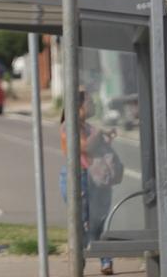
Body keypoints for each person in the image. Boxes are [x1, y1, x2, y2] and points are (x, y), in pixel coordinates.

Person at [60, 90, 116, 276]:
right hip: (78, 178)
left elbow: (95, 148)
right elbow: (83, 147)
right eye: (90, 102)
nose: (93, 105)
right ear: (79, 106)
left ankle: (105, 261)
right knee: (82, 222)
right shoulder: (69, 126)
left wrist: (105, 138)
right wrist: (99, 134)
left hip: (94, 177)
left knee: (98, 221)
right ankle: (79, 261)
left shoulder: (88, 126)